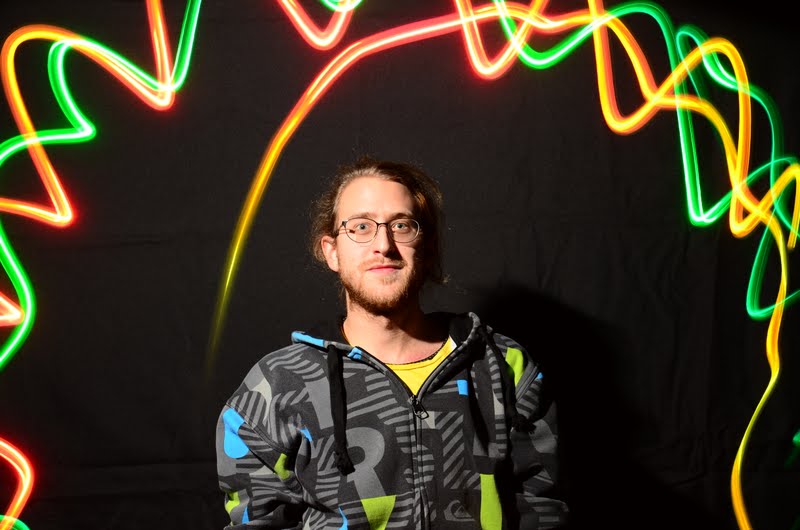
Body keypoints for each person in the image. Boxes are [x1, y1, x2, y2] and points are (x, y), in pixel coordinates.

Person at [215, 156, 569, 528]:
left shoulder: (503, 365)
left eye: (401, 225)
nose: (383, 245)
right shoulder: (275, 386)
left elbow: (541, 507)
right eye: (360, 226)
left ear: (426, 248)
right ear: (332, 251)